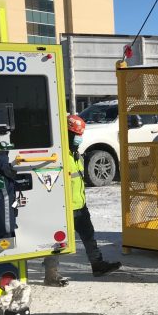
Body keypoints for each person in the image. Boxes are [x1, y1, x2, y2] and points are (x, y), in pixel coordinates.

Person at [43, 115, 121, 286]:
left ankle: (97, 265)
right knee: (57, 241)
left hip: (80, 204)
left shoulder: (75, 154)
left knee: (89, 236)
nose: (78, 138)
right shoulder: (59, 155)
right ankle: (51, 274)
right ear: (66, 134)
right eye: (75, 134)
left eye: (80, 134)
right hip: (64, 207)